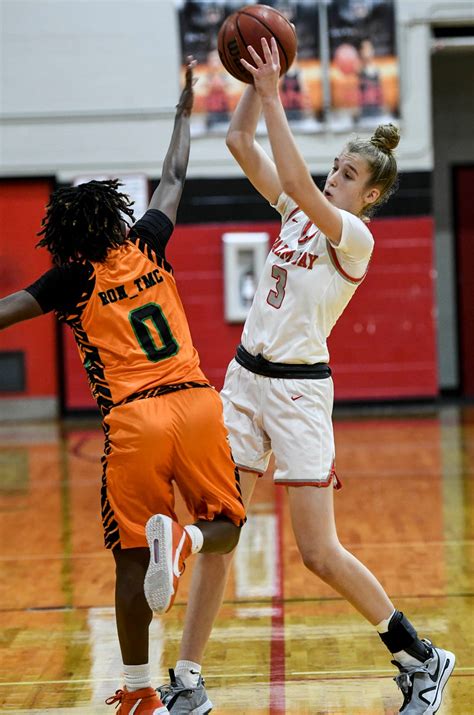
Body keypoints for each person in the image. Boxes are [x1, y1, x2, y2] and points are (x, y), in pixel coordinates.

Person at [158, 39, 455, 715]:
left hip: (296, 392)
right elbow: (238, 140)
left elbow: (293, 181)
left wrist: (274, 89)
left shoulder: (354, 237)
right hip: (243, 380)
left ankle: (421, 656)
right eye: (334, 167)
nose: (332, 177)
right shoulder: (297, 214)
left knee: (318, 550)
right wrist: (251, 82)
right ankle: (188, 678)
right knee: (223, 528)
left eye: (347, 174)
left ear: (371, 193)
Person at [0, 59, 245, 715]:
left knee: (132, 560)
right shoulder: (150, 242)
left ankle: (139, 691)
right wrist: (182, 112)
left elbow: (3, 312)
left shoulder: (69, 281)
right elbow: (172, 176)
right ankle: (190, 541)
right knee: (225, 526)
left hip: (136, 423)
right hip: (196, 403)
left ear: (68, 240)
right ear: (115, 218)